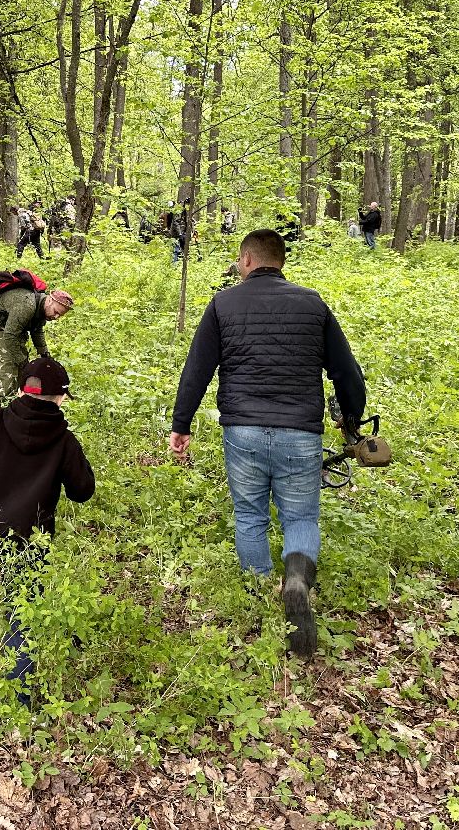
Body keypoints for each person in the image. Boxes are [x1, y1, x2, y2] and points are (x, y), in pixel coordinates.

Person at [169, 228, 366, 659]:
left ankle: (261, 596)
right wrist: (351, 421)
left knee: (250, 515)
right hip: (300, 431)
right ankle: (296, 578)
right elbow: (347, 372)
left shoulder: (223, 303)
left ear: (245, 261)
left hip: (243, 431)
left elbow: (197, 369)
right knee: (300, 517)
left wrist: (181, 423)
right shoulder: (312, 304)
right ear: (281, 261)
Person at [0, 356, 95, 703]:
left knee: (23, 588)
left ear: (22, 392)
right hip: (29, 538)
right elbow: (82, 491)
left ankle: (53, 629)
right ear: (61, 398)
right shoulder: (64, 440)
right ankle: (19, 696)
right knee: (21, 606)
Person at [0, 283, 74, 399]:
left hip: (8, 324)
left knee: (21, 355)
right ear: (50, 301)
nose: (56, 317)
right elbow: (10, 336)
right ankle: (5, 400)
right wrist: (23, 363)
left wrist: (45, 354)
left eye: (60, 315)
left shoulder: (42, 307)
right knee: (8, 356)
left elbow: (37, 331)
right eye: (56, 312)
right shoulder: (27, 305)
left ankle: (21, 395)